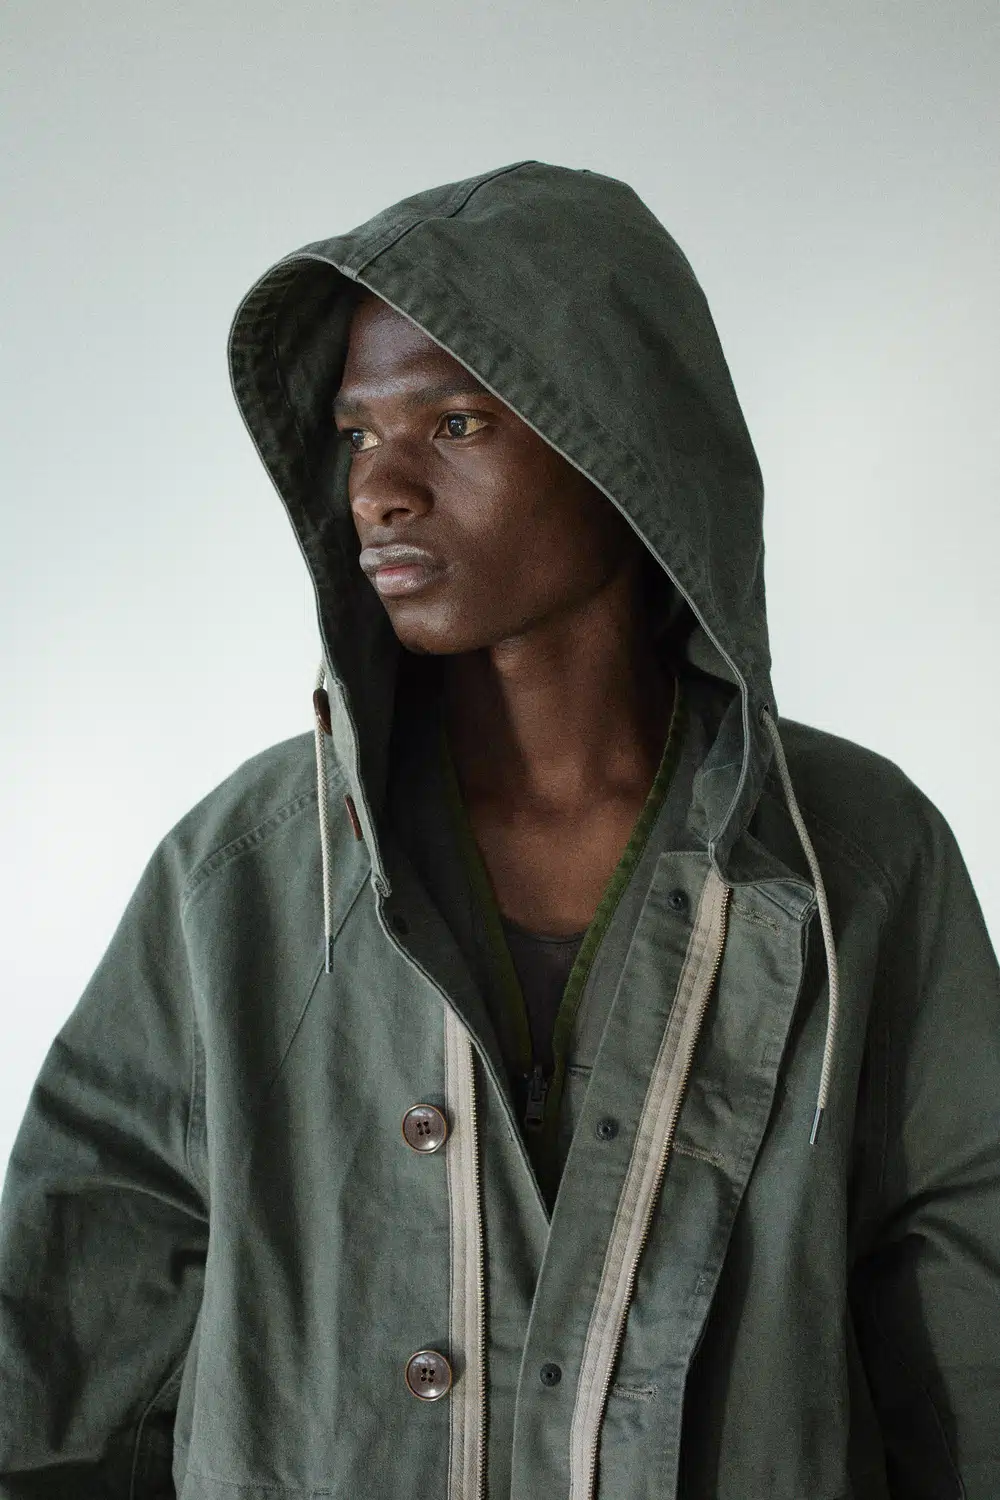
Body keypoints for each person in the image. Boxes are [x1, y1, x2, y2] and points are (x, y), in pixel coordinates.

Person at [0, 159, 997, 1500]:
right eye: (358, 434)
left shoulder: (853, 857)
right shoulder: (243, 873)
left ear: (623, 443)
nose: (381, 489)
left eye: (456, 423)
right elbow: (62, 1367)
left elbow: (968, 1335)